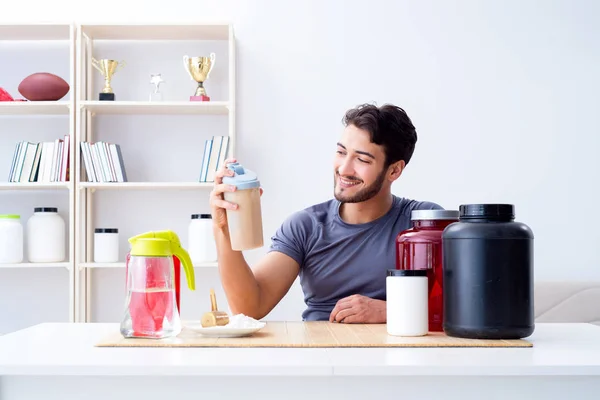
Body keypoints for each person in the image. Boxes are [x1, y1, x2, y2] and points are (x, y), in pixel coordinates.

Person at [209, 103, 443, 323]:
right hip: (321, 357)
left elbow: (466, 303)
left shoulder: (425, 222)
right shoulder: (305, 227)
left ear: (394, 170)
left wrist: (389, 310)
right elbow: (250, 306)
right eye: (342, 152)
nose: (344, 169)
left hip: (400, 361)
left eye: (361, 159)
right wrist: (223, 230)